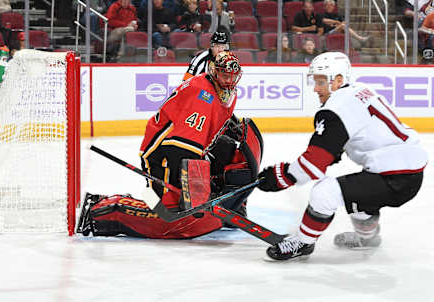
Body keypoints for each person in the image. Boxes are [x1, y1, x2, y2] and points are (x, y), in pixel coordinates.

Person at [258, 51, 428, 261]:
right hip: (408, 173)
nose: (316, 88)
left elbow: (313, 165)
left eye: (321, 82)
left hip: (393, 176)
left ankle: (303, 243)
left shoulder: (335, 109)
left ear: (338, 81)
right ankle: (368, 238)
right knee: (357, 195)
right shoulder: (360, 91)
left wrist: (281, 176)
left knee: (324, 192)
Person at [78, 51, 264, 239]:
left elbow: (210, 130)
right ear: (214, 71)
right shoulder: (202, 93)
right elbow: (182, 148)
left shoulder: (225, 92)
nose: (229, 80)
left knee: (226, 149)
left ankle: (233, 204)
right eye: (225, 75)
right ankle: (102, 208)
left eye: (233, 76)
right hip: (161, 153)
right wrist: (195, 193)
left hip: (183, 147)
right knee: (167, 213)